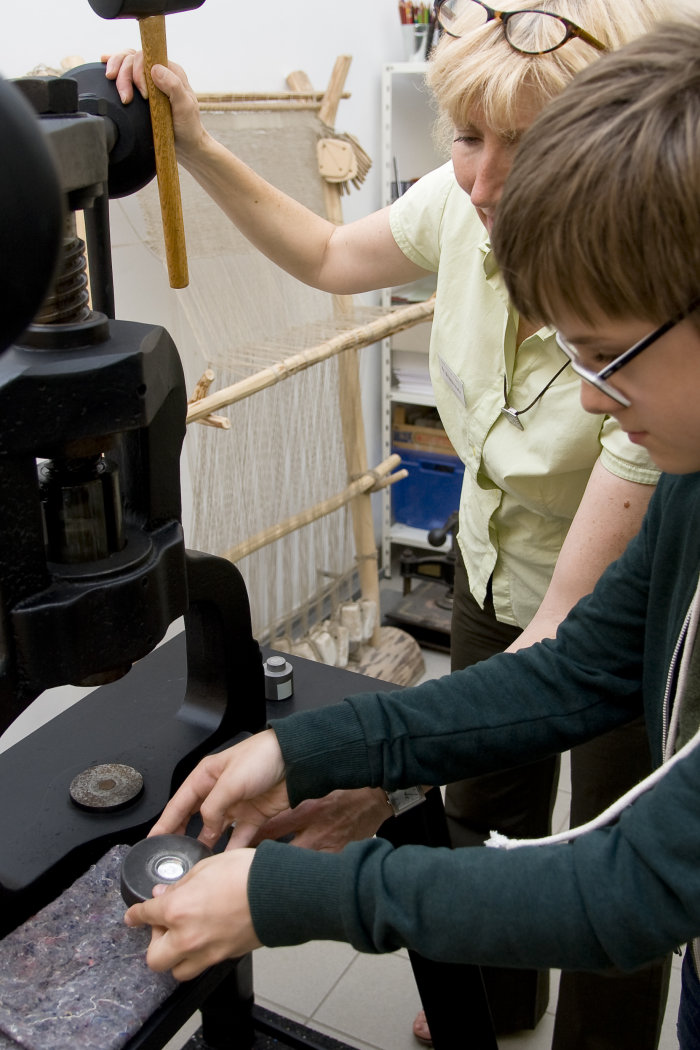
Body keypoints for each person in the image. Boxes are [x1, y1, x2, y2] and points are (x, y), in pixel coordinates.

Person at [106, 2, 678, 1044]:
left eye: (598, 351)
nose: (590, 399)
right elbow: (568, 670)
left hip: (577, 601)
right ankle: (497, 999)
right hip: (501, 575)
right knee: (482, 804)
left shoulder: (663, 442)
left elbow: (630, 877)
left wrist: (297, 893)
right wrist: (330, 751)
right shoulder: (670, 430)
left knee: (605, 865)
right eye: (467, 136)